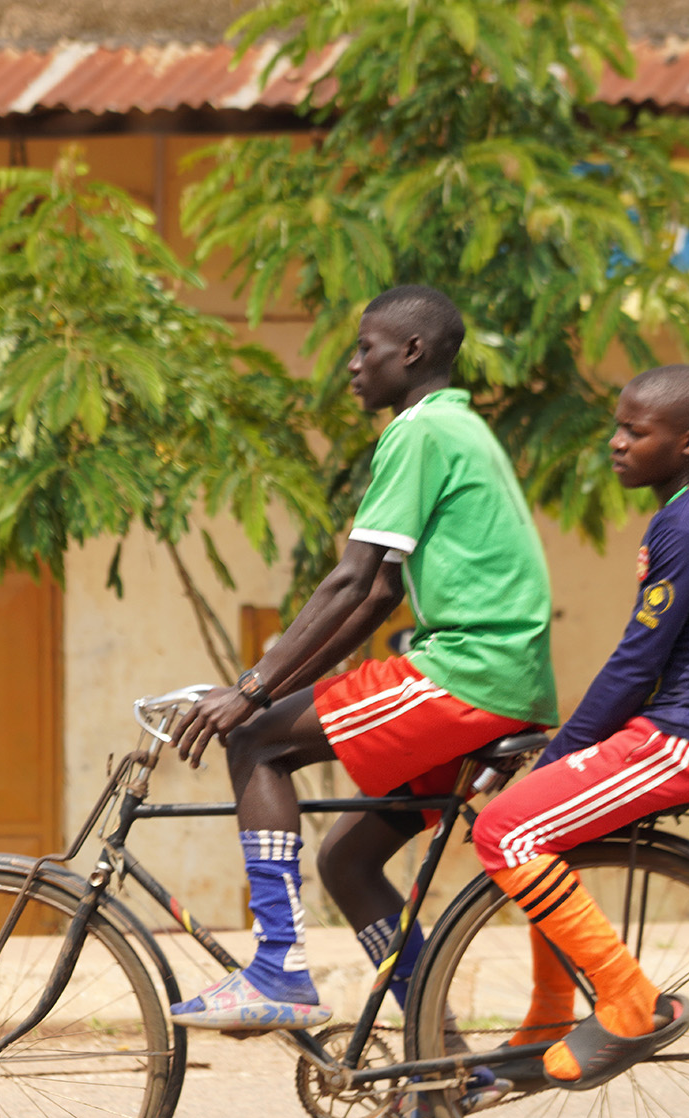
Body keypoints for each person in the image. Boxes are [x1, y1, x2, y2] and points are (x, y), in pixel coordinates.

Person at [168, 284, 559, 1033]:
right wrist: (270, 682)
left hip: (468, 670)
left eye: (365, 348)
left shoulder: (417, 432)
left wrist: (252, 689)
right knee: (346, 860)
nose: (351, 366)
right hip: (504, 675)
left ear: (410, 352)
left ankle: (276, 966)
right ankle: (438, 1057)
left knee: (255, 738)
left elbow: (349, 579)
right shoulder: (459, 427)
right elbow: (379, 592)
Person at [471, 364, 689, 1091]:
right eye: (618, 426)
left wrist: (565, 751)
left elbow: (638, 661)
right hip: (675, 731)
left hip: (686, 739)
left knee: (503, 831)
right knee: (542, 832)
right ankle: (546, 1016)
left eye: (636, 430)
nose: (617, 442)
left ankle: (630, 1000)